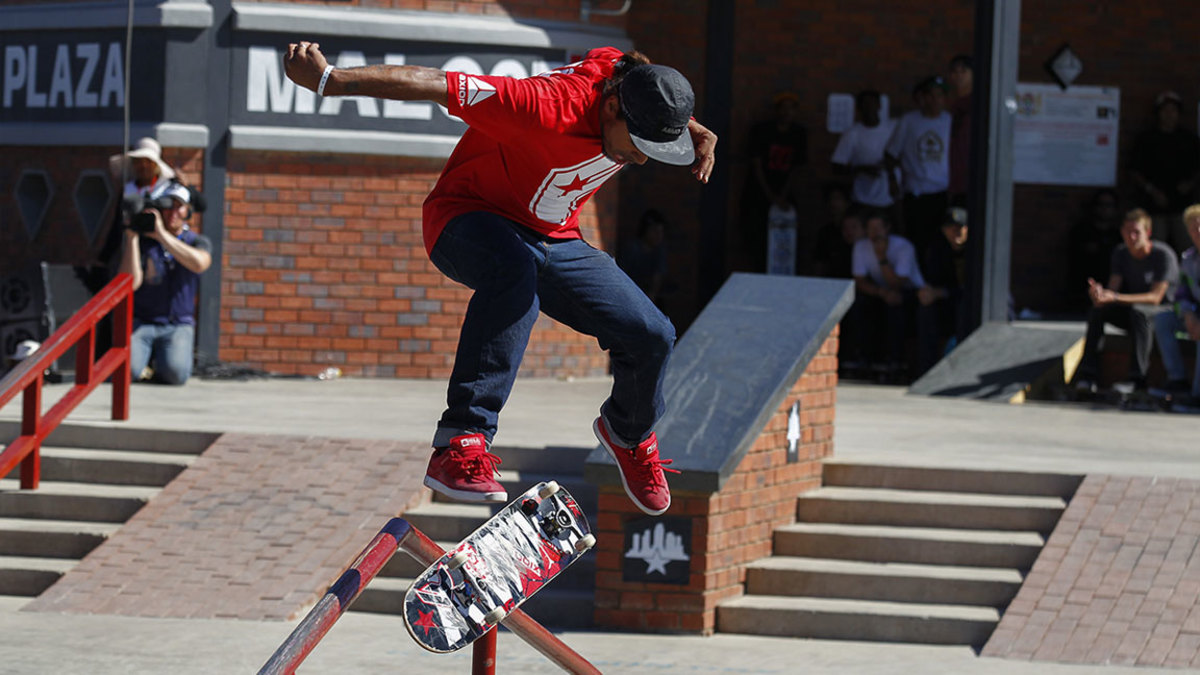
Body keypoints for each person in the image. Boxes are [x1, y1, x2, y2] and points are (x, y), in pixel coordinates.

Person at [284, 42, 717, 516]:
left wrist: (685, 130)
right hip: (467, 219)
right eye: (637, 144)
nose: (638, 160)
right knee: (515, 272)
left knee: (652, 334)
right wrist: (331, 80)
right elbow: (434, 83)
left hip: (555, 239)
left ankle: (627, 434)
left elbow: (637, 73)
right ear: (610, 107)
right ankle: (460, 443)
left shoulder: (630, 87)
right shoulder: (542, 105)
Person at [1073, 209, 1178, 393]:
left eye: (1137, 232)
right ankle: (1088, 375)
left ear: (1148, 233)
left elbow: (1155, 298)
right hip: (1134, 312)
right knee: (1098, 312)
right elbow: (1113, 290)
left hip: (1162, 315)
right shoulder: (1121, 253)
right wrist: (1101, 296)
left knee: (1140, 311)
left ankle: (1137, 380)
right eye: (1127, 232)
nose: (1132, 237)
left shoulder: (1163, 255)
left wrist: (1115, 297)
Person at [118, 181, 213, 385]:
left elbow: (199, 264)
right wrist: (133, 239)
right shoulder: (145, 242)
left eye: (179, 207)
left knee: (175, 374)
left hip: (177, 324)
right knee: (126, 373)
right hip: (144, 321)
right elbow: (130, 283)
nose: (173, 213)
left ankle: (158, 364)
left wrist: (162, 235)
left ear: (188, 211)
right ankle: (147, 362)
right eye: (168, 207)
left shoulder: (196, 241)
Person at [847, 210, 925, 382]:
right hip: (881, 291)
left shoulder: (903, 247)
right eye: (870, 228)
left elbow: (898, 283)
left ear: (888, 228)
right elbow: (859, 281)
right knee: (859, 303)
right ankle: (862, 357)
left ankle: (894, 360)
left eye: (878, 228)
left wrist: (882, 258)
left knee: (895, 306)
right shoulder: (861, 246)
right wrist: (881, 293)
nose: (874, 233)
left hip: (910, 291)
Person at [741, 91, 807, 273]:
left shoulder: (799, 134)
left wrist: (782, 196)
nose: (787, 113)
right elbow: (757, 165)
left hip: (784, 194)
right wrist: (771, 196)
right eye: (783, 108)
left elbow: (796, 168)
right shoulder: (762, 131)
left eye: (791, 109)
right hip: (760, 193)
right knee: (758, 239)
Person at [885, 75, 951, 256]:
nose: (935, 100)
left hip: (943, 191)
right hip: (916, 192)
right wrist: (893, 181)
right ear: (922, 98)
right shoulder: (909, 121)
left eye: (940, 95)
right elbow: (890, 154)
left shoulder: (949, 121)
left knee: (942, 243)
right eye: (931, 95)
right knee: (917, 242)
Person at [1129, 91, 1200, 255]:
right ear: (1158, 113)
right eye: (1165, 110)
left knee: (1189, 248)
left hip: (1182, 205)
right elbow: (1134, 170)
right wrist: (1151, 190)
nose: (1169, 115)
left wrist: (1190, 183)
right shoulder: (1147, 139)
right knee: (1155, 249)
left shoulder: (1188, 139)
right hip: (1154, 205)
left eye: (1173, 111)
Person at [1152, 204, 1200, 402]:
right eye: (1193, 227)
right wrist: (1189, 315)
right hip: (1195, 312)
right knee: (1163, 320)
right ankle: (1177, 379)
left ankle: (1197, 395)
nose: (1198, 231)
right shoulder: (1188, 259)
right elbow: (1181, 294)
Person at [916, 206, 970, 374]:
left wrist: (942, 292)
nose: (956, 233)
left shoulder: (977, 250)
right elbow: (933, 281)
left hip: (971, 302)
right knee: (925, 308)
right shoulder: (937, 251)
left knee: (963, 306)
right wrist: (926, 292)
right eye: (951, 228)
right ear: (944, 231)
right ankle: (926, 371)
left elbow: (973, 288)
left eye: (960, 228)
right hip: (946, 302)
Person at [831, 89, 898, 212]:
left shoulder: (892, 128)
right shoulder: (852, 134)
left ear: (879, 105)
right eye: (865, 104)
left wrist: (892, 173)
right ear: (859, 108)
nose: (870, 107)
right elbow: (836, 166)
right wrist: (861, 169)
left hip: (890, 197)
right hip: (863, 198)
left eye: (873, 103)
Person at [1068, 188, 1124, 313]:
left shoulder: (1118, 236)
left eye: (1109, 205)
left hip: (1111, 289)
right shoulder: (1082, 232)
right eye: (1101, 205)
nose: (1104, 209)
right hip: (1083, 288)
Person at [617, 209, 670, 309]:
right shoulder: (632, 248)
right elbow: (621, 276)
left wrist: (651, 297)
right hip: (630, 295)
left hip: (649, 298)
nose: (659, 236)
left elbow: (658, 275)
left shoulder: (660, 250)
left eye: (661, 232)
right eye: (655, 231)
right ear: (645, 230)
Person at [946, 55, 973, 207]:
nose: (958, 76)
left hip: (970, 181)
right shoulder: (949, 104)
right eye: (954, 72)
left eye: (963, 71)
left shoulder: (978, 103)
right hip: (949, 181)